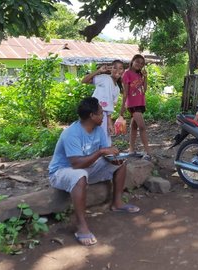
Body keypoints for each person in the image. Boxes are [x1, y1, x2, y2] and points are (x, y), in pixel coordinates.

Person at [48, 97, 140, 246]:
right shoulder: (71, 133)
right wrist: (101, 152)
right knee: (80, 175)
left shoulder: (98, 130)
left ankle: (117, 203)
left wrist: (113, 158)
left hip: (86, 169)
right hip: (62, 172)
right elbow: (77, 164)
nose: (103, 115)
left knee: (121, 163)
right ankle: (81, 226)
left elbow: (105, 153)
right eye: (100, 113)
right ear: (92, 115)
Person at [82, 60, 125, 145]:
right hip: (94, 113)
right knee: (94, 137)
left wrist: (109, 123)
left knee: (104, 137)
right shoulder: (105, 78)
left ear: (123, 71)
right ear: (110, 69)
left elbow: (109, 107)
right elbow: (84, 80)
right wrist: (99, 71)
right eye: (115, 67)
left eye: (120, 68)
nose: (117, 70)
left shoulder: (117, 89)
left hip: (104, 116)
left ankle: (104, 155)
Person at [120, 54, 151, 160]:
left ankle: (131, 150)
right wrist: (123, 107)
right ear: (132, 61)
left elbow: (144, 89)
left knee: (134, 126)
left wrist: (145, 77)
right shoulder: (127, 73)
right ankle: (147, 152)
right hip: (133, 104)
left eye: (142, 63)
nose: (139, 64)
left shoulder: (139, 75)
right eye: (137, 61)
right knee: (142, 126)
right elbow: (125, 92)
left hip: (141, 103)